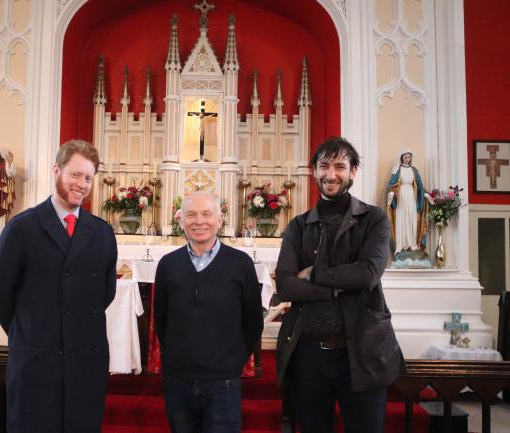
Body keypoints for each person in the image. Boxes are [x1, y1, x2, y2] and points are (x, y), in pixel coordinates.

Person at [0, 139, 117, 433]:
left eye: (88, 177)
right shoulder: (22, 227)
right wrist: (30, 331)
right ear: (57, 170)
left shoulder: (102, 233)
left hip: (86, 360)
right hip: (37, 359)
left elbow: (104, 294)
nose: (81, 184)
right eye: (75, 174)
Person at [275, 137, 403, 433]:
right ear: (313, 171)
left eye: (340, 166)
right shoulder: (298, 225)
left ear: (353, 171)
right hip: (307, 355)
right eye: (324, 166)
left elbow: (368, 274)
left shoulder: (374, 219)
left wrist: (313, 275)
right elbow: (285, 285)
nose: (331, 174)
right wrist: (338, 286)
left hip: (362, 351)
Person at [154, 191, 263, 433]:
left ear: (220, 219)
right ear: (180, 219)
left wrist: (231, 363)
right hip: (178, 381)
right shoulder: (168, 265)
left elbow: (253, 320)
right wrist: (176, 360)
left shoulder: (241, 264)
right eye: (191, 214)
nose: (199, 221)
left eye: (206, 214)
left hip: (223, 381)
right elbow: (161, 320)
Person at [386, 149, 433, 258]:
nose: (408, 159)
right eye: (406, 157)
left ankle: (413, 244)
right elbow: (391, 184)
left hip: (412, 195)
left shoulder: (414, 170)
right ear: (402, 157)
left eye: (409, 157)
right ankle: (400, 245)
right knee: (401, 218)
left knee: (412, 218)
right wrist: (391, 193)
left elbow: (420, 185)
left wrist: (426, 195)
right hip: (401, 196)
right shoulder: (397, 169)